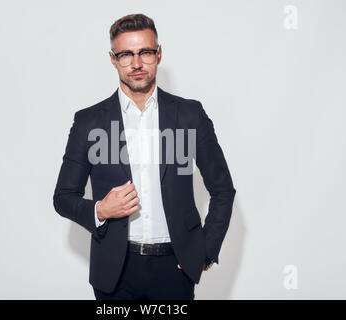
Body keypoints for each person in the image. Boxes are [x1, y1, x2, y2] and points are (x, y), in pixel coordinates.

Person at [53, 13, 236, 300]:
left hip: (175, 268)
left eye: (145, 52)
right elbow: (63, 197)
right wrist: (100, 210)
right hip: (114, 271)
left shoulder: (190, 115)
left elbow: (223, 189)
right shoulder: (89, 122)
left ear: (159, 54)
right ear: (113, 59)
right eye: (126, 54)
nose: (136, 63)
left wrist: (206, 250)